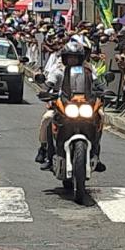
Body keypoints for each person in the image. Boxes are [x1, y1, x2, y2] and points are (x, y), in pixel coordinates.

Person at [36, 41, 106, 172]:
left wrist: (103, 91)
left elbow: (98, 84)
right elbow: (48, 84)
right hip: (62, 105)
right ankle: (46, 152)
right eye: (70, 57)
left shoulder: (88, 71)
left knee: (101, 116)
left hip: (84, 105)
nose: (72, 60)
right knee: (47, 118)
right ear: (65, 58)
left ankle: (96, 153)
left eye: (75, 57)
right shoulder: (58, 71)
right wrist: (45, 91)